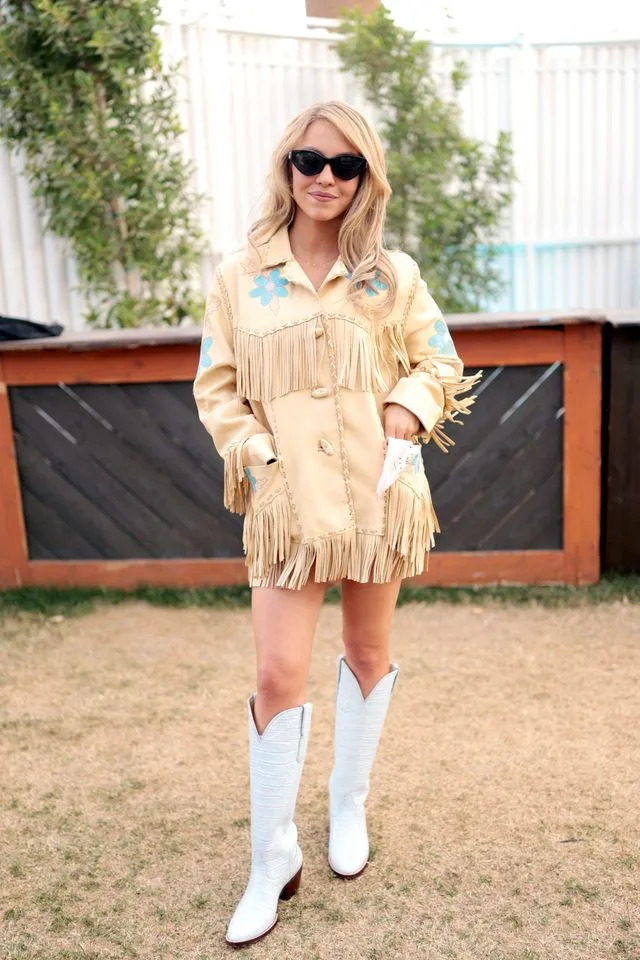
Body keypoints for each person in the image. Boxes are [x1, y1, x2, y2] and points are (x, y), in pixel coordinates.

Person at [192, 100, 480, 947]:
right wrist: (260, 461)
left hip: (379, 498)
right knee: (278, 675)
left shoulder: (392, 274)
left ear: (367, 177)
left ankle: (346, 804)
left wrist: (405, 407)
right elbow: (217, 388)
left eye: (345, 164)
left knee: (367, 653)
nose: (324, 177)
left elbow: (439, 359)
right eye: (309, 161)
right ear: (287, 168)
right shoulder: (240, 276)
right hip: (287, 510)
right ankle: (270, 857)